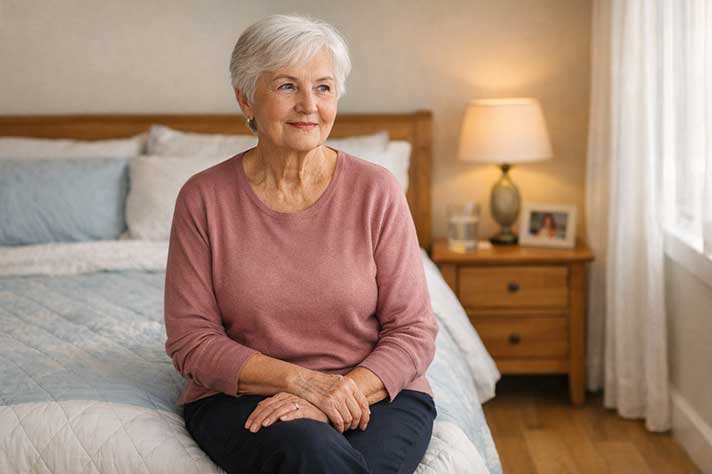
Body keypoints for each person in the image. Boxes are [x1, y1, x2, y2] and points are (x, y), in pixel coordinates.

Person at [163, 14, 438, 474]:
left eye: (324, 88)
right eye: (287, 86)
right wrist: (305, 385)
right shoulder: (203, 198)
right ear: (245, 98)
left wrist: (338, 395)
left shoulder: (377, 190)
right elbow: (192, 341)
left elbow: (413, 330)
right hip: (245, 396)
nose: (309, 105)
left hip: (379, 391)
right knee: (309, 451)